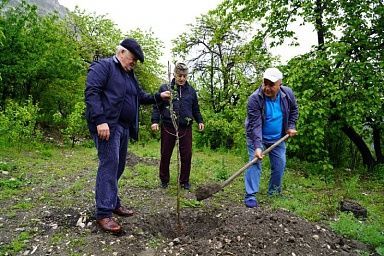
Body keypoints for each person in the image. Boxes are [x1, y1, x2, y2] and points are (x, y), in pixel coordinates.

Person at [85, 38, 171, 233]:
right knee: (110, 164)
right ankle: (104, 213)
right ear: (121, 52)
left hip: (123, 127)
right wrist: (100, 120)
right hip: (107, 125)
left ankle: (113, 201)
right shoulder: (103, 67)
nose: (133, 63)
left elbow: (140, 97)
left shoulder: (130, 76)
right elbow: (92, 93)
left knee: (119, 165)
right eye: (132, 58)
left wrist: (159, 97)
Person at [244, 67, 298, 208]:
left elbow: (294, 110)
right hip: (257, 137)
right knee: (254, 163)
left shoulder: (288, 94)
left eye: (271, 85)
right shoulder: (255, 99)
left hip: (277, 137)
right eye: (265, 83)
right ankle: (250, 195)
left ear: (280, 84)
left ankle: (274, 192)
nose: (267, 88)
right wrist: (257, 146)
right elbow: (255, 125)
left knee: (280, 164)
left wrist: (291, 126)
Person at [151, 62, 204, 190]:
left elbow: (195, 108)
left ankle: (184, 181)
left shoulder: (191, 91)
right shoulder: (165, 88)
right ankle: (164, 180)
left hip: (186, 127)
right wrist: (155, 121)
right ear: (174, 74)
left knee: (187, 154)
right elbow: (157, 106)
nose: (182, 78)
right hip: (168, 126)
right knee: (165, 153)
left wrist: (200, 121)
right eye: (179, 75)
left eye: (184, 76)